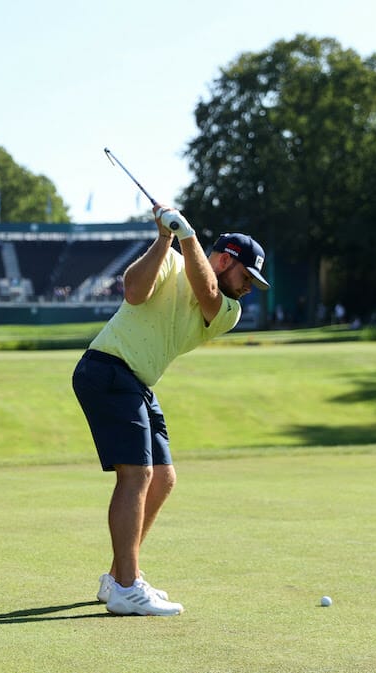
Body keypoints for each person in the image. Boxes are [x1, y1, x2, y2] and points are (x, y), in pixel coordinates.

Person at [71, 204, 270, 616]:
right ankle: (127, 586)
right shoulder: (171, 261)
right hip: (107, 368)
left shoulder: (229, 310)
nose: (249, 287)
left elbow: (207, 293)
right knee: (137, 474)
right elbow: (133, 292)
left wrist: (186, 235)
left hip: (137, 382)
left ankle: (118, 577)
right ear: (225, 260)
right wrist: (164, 238)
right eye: (247, 277)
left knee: (162, 478)